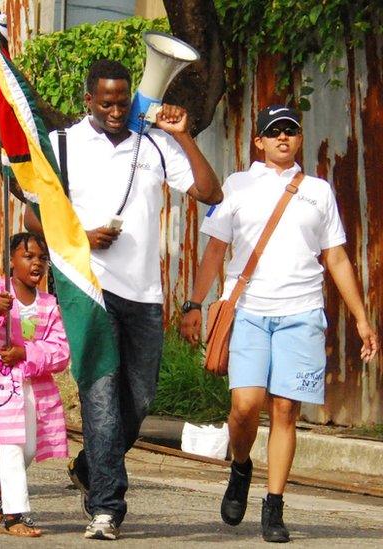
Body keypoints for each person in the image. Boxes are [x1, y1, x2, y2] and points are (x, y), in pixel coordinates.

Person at [25, 59, 222, 539]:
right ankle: (107, 507)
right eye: (107, 102)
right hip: (87, 288)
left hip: (144, 294)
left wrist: (183, 135)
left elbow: (210, 191)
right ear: (88, 100)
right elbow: (34, 218)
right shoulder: (62, 146)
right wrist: (80, 235)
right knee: (101, 396)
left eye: (123, 101)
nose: (116, 110)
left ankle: (92, 466)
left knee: (139, 399)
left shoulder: (153, 145)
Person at [180, 104, 378, 543]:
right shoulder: (237, 185)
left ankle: (274, 507)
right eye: (274, 132)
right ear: (260, 142)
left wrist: (363, 319)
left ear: (298, 139)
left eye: (290, 131)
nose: (283, 138)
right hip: (249, 310)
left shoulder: (318, 192)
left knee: (286, 410)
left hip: (302, 312)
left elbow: (337, 257)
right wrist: (194, 302)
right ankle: (241, 466)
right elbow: (215, 250)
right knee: (245, 407)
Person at [0, 232, 70, 537]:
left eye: (41, 258)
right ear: (11, 260)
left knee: (29, 449)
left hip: (35, 389)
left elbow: (61, 352)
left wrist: (26, 352)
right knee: (11, 447)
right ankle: (15, 515)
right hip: (0, 389)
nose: (36, 263)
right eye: (28, 256)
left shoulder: (49, 304)